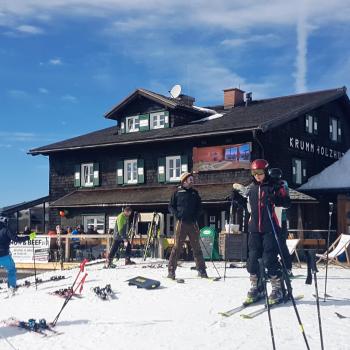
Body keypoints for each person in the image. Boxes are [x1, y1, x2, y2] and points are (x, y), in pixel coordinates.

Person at [233, 159, 290, 305]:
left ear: (266, 172)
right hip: (254, 230)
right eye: (254, 173)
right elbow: (250, 209)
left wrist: (277, 197)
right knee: (252, 261)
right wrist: (238, 200)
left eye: (260, 172)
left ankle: (277, 289)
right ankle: (257, 287)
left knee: (269, 259)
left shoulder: (273, 186)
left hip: (270, 229)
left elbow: (286, 202)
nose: (257, 175)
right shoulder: (251, 188)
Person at [168, 172, 207, 279]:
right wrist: (177, 215)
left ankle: (202, 270)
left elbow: (200, 207)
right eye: (190, 179)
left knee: (196, 247)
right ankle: (171, 271)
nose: (192, 181)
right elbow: (171, 206)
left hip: (193, 223)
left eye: (192, 179)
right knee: (177, 247)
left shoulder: (195, 193)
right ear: (184, 180)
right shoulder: (177, 192)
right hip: (181, 223)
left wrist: (196, 216)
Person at [0, 217, 36, 296]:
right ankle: (12, 287)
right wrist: (29, 237)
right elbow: (17, 239)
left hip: (3, 254)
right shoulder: (6, 230)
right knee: (11, 269)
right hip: (3, 255)